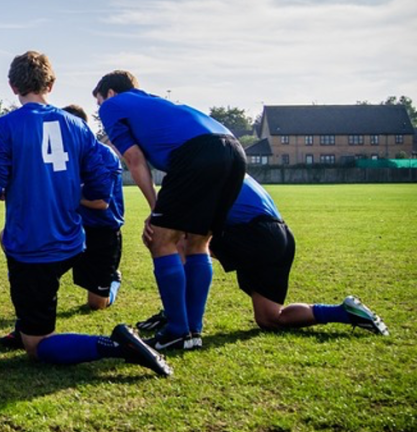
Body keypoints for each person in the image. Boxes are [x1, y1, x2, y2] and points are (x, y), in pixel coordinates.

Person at [0, 52, 171, 378]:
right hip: (72, 240)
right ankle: (26, 320)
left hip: (33, 247)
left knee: (37, 346)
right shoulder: (77, 126)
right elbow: (104, 173)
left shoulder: (4, 126)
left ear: (13, 86)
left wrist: (7, 187)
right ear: (51, 84)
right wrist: (78, 194)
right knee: (13, 250)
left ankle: (116, 345)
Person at [94, 70, 246, 351]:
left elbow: (135, 159)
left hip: (198, 152)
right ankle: (192, 331)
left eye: (100, 102)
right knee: (198, 242)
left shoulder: (114, 105)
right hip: (234, 150)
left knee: (160, 239)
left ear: (110, 94)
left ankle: (177, 329)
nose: (101, 109)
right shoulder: (152, 103)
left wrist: (156, 208)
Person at [136, 175, 389, 336]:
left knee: (179, 242)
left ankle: (176, 318)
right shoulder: (225, 164)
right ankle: (343, 312)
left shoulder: (200, 171)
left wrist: (158, 229)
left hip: (255, 233)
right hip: (280, 237)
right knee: (270, 318)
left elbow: (189, 225)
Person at [63, 105, 124, 311]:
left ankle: (113, 281)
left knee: (96, 305)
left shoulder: (103, 155)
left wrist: (66, 194)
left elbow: (100, 203)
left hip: (102, 230)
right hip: (74, 227)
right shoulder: (63, 154)